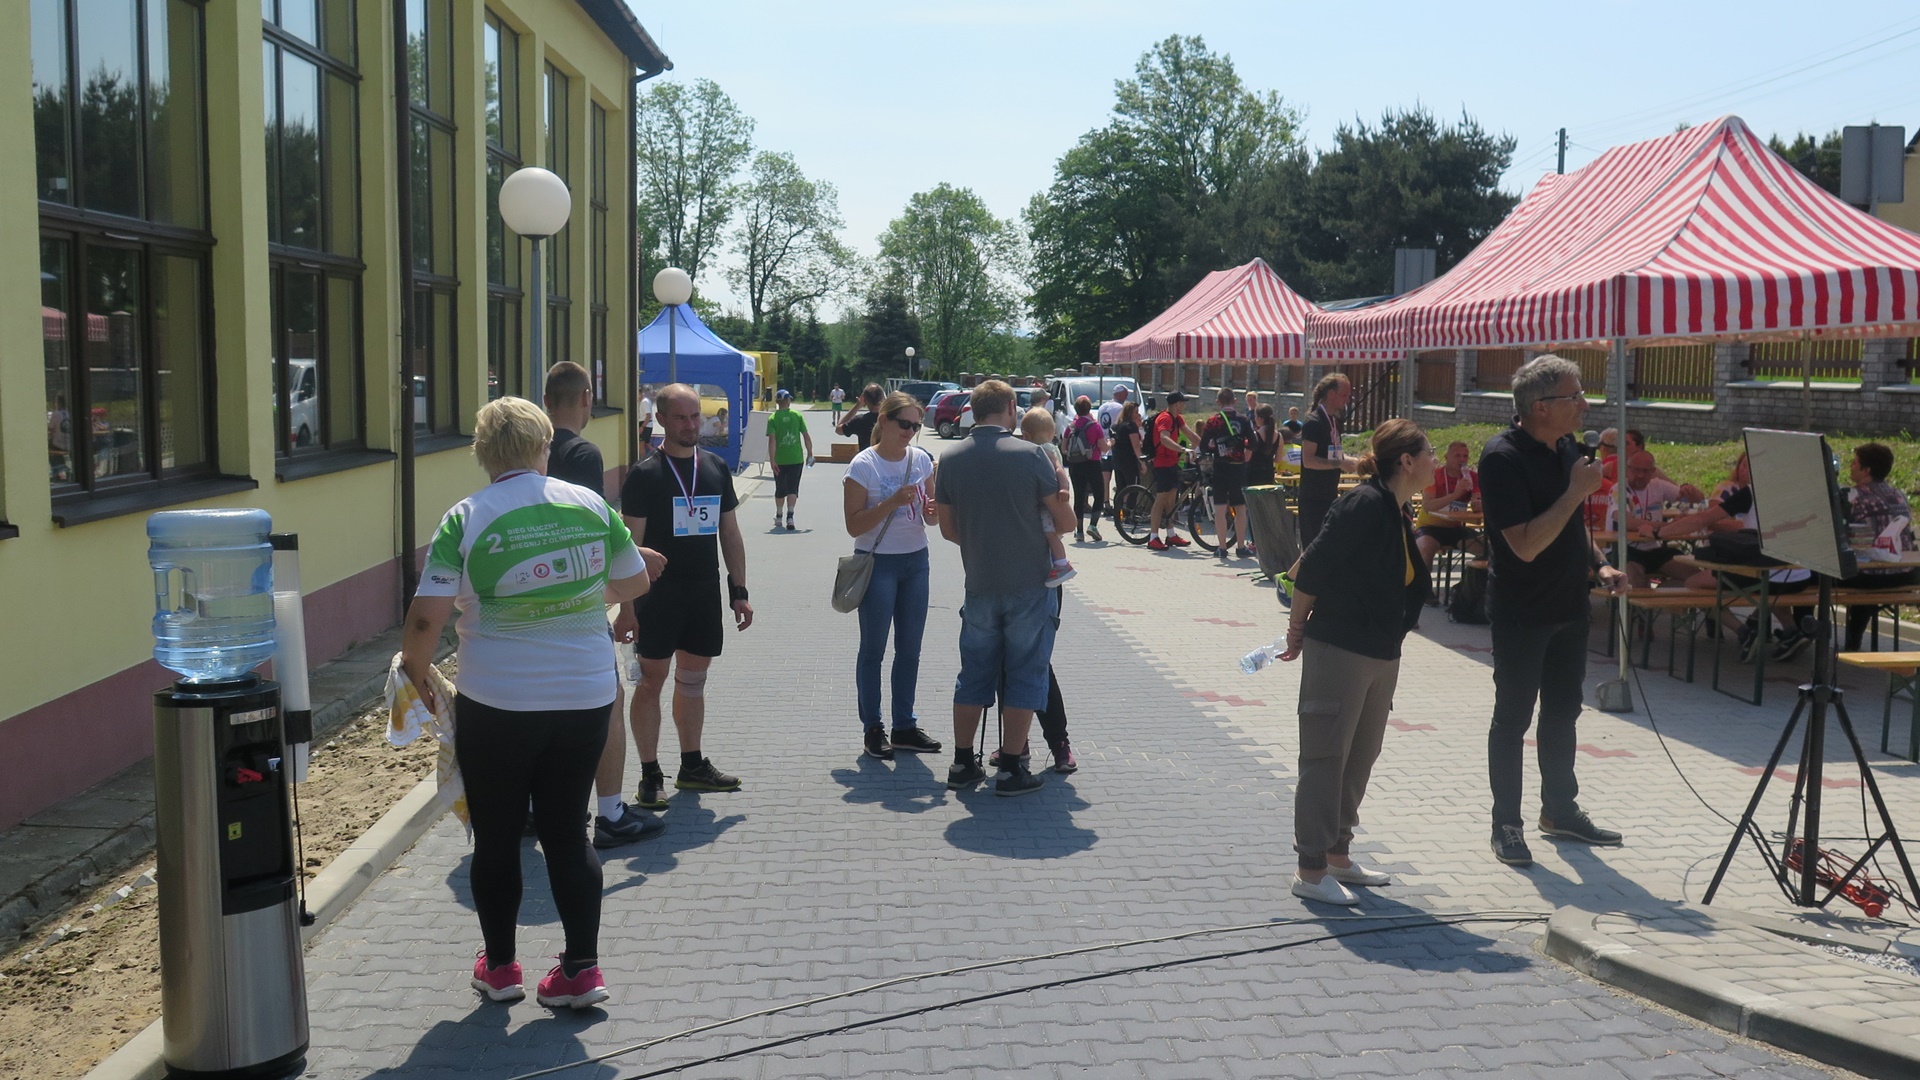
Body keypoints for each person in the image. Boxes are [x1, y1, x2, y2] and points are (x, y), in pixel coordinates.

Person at [401, 396, 650, 1009]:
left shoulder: (464, 517)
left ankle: (501, 969)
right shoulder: (590, 504)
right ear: (545, 447)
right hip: (585, 695)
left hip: (498, 700)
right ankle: (581, 971)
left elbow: (427, 617)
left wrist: (416, 672)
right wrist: (580, 592)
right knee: (568, 831)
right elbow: (634, 580)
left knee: (498, 835)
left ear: (482, 454)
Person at [1278, 419, 1437, 905]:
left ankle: (1338, 855)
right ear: (1406, 461)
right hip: (1340, 648)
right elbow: (1313, 567)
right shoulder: (1363, 503)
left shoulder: (1396, 507)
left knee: (1360, 756)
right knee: (1325, 757)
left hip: (1381, 652)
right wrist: (1296, 629)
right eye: (1429, 452)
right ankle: (1310, 870)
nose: (1435, 460)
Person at [1478, 355, 1627, 868]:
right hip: (1522, 611)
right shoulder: (1501, 457)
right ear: (1541, 407)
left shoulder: (1566, 449)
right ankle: (1506, 824)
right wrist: (1575, 492)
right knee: (1513, 719)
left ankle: (1559, 810)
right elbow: (1524, 544)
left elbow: (1571, 528)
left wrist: (1601, 565)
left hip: (1569, 606)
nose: (1585, 404)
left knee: (1563, 712)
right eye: (1575, 395)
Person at [542, 362, 667, 849]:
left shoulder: (528, 453)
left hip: (529, 599)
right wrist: (631, 577)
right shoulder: (583, 454)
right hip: (578, 599)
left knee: (543, 707)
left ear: (546, 401)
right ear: (586, 399)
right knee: (606, 702)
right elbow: (591, 530)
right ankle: (611, 813)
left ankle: (539, 806)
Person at [616, 384, 754, 810]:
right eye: (680, 418)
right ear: (661, 420)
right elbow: (628, 547)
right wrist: (626, 609)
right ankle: (649, 774)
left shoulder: (714, 467)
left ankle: (692, 765)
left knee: (693, 681)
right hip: (656, 598)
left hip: (702, 593)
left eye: (695, 417)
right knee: (651, 683)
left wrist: (739, 591)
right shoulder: (644, 475)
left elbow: (730, 533)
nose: (691, 425)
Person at [934, 380, 1060, 797]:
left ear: (973, 409)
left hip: (980, 581)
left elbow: (948, 530)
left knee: (973, 673)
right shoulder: (1031, 455)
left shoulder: (950, 458)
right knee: (1025, 671)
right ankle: (1009, 768)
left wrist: (981, 542)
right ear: (1010, 406)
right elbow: (1062, 520)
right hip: (1029, 582)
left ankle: (962, 762)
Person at [844, 392, 944, 761]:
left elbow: (932, 518)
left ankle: (904, 725)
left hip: (916, 561)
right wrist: (891, 502)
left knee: (910, 649)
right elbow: (853, 525)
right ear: (884, 421)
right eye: (905, 424)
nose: (910, 432)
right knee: (873, 649)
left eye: (916, 426)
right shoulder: (863, 465)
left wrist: (932, 511)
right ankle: (873, 727)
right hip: (877, 564)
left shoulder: (921, 460)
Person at [1837, 442, 1917, 651]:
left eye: (1855, 463)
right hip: (1904, 574)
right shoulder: (1899, 494)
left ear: (1866, 470)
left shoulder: (1852, 496)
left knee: (1812, 575)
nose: (1851, 466)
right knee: (1868, 585)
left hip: (1869, 577)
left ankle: (1802, 632)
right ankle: (1853, 640)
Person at [1018, 407, 1078, 585]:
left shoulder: (1042, 450)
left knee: (1049, 533)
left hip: (1047, 501)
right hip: (1052, 498)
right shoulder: (1052, 447)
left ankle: (1061, 564)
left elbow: (1059, 470)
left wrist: (1064, 488)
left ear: (1026, 436)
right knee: (1050, 533)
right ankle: (1056, 562)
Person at [1610, 451, 1682, 589]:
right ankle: (1641, 599)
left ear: (1653, 471)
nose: (1640, 475)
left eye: (1645, 471)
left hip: (1654, 549)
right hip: (1626, 548)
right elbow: (1626, 522)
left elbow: (1694, 498)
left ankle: (1657, 595)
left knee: (1694, 575)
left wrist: (1691, 492)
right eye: (1636, 470)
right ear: (1627, 469)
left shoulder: (1659, 485)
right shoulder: (1618, 489)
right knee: (1632, 578)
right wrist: (1667, 526)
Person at [1297, 374, 1352, 551]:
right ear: (1331, 394)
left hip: (1329, 495)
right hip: (1313, 498)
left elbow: (1335, 455)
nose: (1347, 399)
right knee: (1313, 550)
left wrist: (1356, 462)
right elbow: (1308, 460)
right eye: (1344, 395)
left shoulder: (1334, 421)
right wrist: (1339, 464)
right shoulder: (1314, 422)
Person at [1199, 387, 1254, 558]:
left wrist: (1214, 447)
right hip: (1238, 468)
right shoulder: (1244, 420)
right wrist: (1244, 457)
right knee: (1240, 508)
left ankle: (1222, 548)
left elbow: (1203, 446)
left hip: (1220, 467)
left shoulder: (1213, 421)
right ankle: (1240, 547)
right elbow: (1253, 443)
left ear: (1218, 402)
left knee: (1220, 508)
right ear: (1235, 401)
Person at [1412, 441, 1484, 567]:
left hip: (1455, 528)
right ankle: (1422, 579)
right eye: (1457, 455)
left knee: (1487, 549)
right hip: (1429, 527)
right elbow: (1428, 506)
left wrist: (1477, 504)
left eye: (1465, 456)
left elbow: (1477, 501)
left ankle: (1470, 578)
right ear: (1446, 457)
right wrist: (1455, 494)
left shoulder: (1471, 476)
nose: (1462, 459)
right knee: (1424, 549)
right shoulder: (1435, 475)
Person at [1146, 391, 1198, 551]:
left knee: (1171, 500)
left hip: (1172, 462)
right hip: (1162, 463)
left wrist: (1206, 447)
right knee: (1161, 499)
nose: (1185, 405)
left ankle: (1170, 534)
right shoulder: (1165, 418)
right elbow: (1164, 438)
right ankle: (1153, 538)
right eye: (1183, 403)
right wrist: (1183, 449)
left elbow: (1191, 435)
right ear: (1176, 404)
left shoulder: (1178, 418)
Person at [1061, 396, 1109, 543]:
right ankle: (1093, 525)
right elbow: (1104, 448)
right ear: (1089, 409)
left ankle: (1080, 531)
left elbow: (1063, 449)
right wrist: (1111, 443)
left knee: (1079, 497)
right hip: (1092, 464)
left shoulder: (1070, 427)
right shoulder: (1095, 427)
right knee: (1099, 494)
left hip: (1075, 465)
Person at [765, 388, 813, 531]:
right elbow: (806, 436)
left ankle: (779, 515)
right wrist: (810, 453)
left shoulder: (773, 418)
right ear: (787, 401)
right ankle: (790, 516)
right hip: (796, 458)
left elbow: (772, 441)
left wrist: (772, 460)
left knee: (780, 488)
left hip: (780, 459)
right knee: (793, 488)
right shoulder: (797, 416)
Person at [1109, 401, 1146, 495]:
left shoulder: (1115, 426)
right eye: (1136, 412)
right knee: (1133, 489)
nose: (1137, 414)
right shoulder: (1131, 426)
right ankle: (1129, 505)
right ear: (1130, 413)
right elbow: (1136, 447)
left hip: (1117, 461)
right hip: (1129, 462)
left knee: (1121, 489)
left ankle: (1120, 505)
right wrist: (1143, 463)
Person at [1245, 404, 1282, 490]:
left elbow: (1246, 458)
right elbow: (1278, 459)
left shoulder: (1255, 435)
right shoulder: (1279, 436)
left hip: (1253, 474)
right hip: (1269, 473)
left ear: (1260, 418)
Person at [837, 383, 885, 450]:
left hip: (867, 456)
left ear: (865, 400)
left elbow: (838, 430)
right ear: (883, 398)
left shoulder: (860, 421)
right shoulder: (892, 418)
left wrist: (857, 406)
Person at [637, 387, 655, 458]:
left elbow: (648, 416)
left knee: (641, 445)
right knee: (647, 444)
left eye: (638, 394)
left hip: (645, 425)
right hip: (646, 425)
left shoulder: (644, 402)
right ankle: (658, 455)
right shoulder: (644, 401)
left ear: (641, 394)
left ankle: (643, 461)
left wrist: (642, 427)